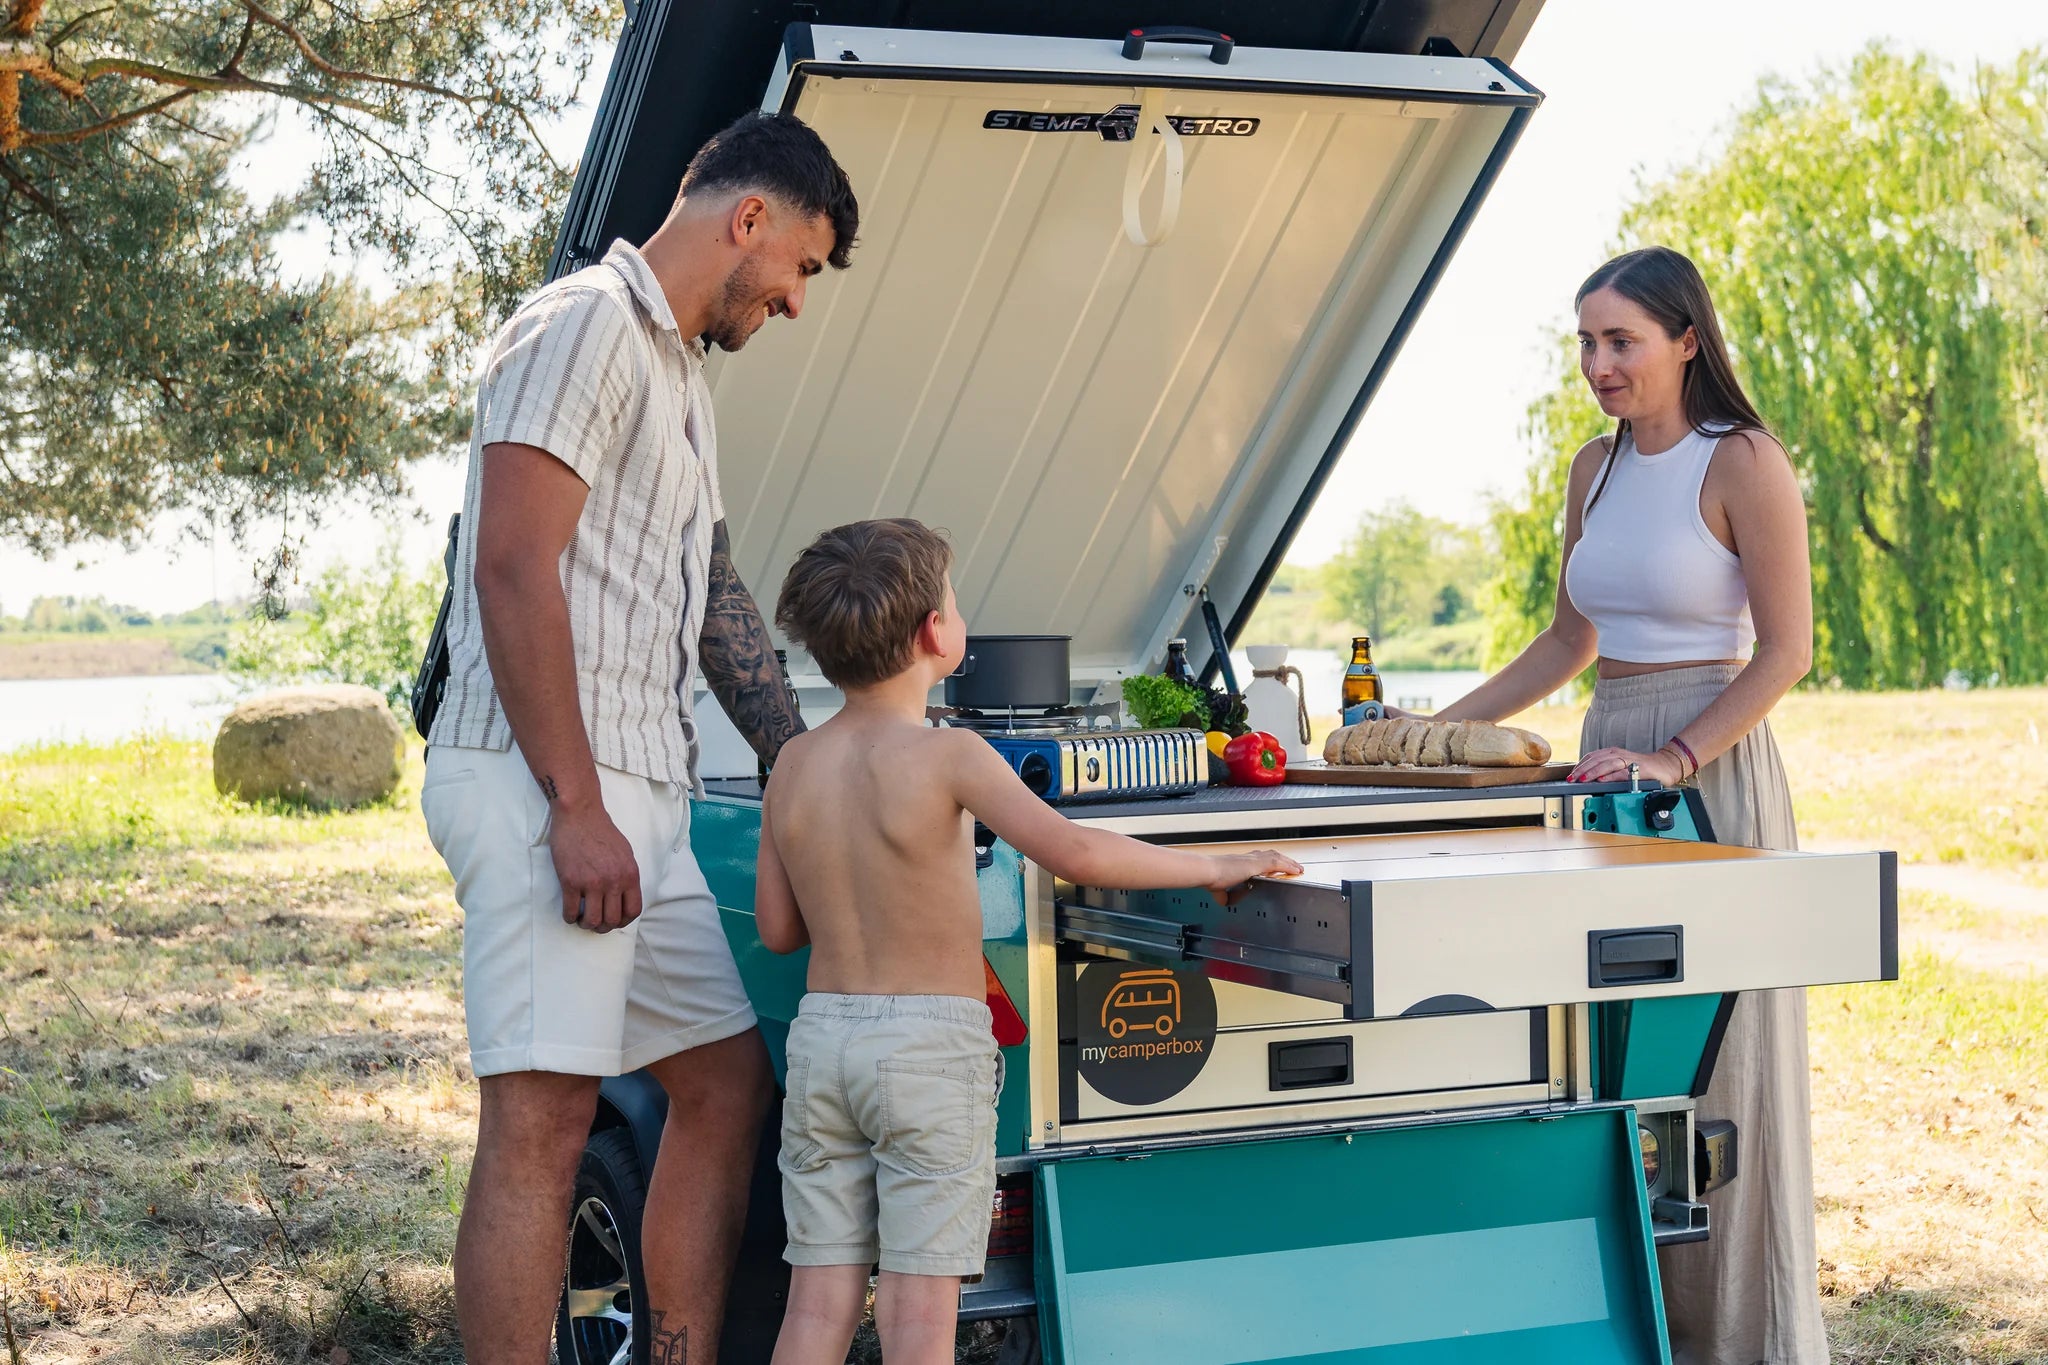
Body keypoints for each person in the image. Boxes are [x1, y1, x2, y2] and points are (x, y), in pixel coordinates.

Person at [419, 111, 859, 1365]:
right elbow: (511, 567)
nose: (793, 302)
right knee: (543, 1125)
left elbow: (714, 593)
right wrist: (574, 809)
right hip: (544, 785)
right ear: (751, 219)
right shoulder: (581, 329)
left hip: (640, 792)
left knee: (723, 1086)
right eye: (802, 270)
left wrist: (798, 759)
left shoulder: (677, 375)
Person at [1402, 245, 1822, 1364]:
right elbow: (1566, 642)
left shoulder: (1742, 461)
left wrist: (1674, 759)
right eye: (1584, 342)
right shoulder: (1591, 468)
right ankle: (1624, 1326)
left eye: (1618, 340)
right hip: (1603, 761)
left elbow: (1785, 651)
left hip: (1705, 769)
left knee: (1715, 1065)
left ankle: (1737, 1336)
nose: (1596, 363)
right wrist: (1430, 738)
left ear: (1686, 339)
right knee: (1599, 1058)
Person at [755, 518, 1303, 1365]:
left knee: (816, 1301)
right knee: (917, 1314)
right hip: (929, 1049)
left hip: (824, 1041)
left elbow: (779, 930)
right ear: (936, 633)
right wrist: (1220, 860)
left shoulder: (792, 762)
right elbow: (1077, 851)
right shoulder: (951, 757)